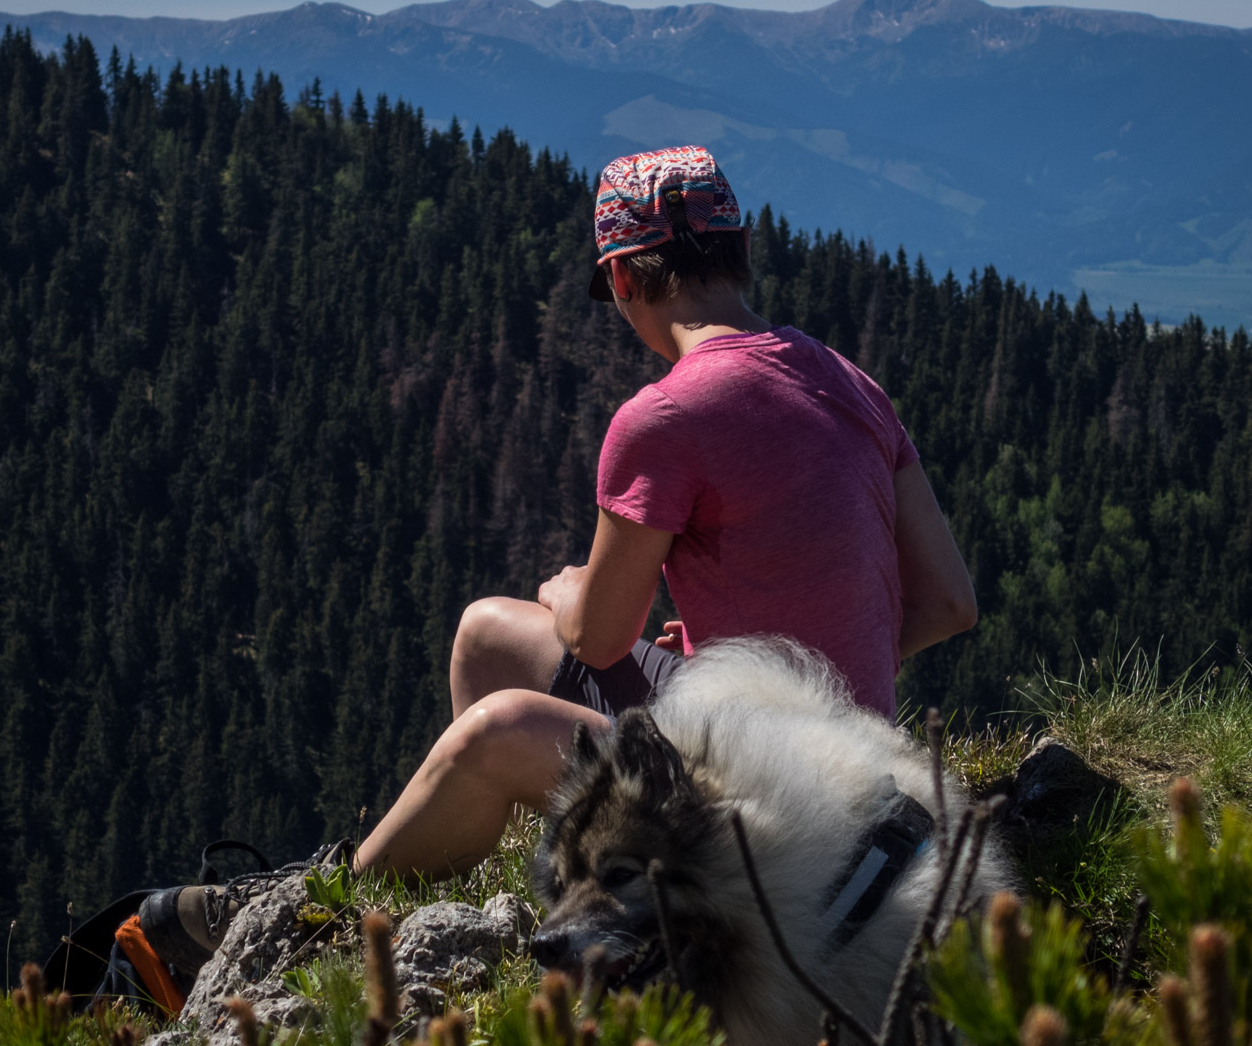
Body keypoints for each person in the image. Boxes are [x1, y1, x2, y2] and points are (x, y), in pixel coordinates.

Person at [353, 146, 977, 880]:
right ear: (739, 247)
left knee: (493, 732)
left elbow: (598, 638)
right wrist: (808, 658)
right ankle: (562, 876)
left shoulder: (664, 417)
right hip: (856, 763)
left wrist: (567, 595)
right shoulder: (853, 385)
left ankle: (323, 912)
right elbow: (948, 602)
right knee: (485, 633)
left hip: (749, 786)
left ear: (621, 277)